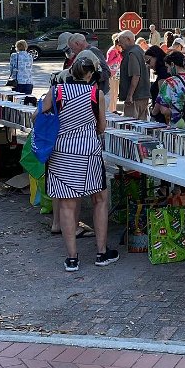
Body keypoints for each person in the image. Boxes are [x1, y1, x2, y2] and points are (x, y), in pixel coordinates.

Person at [42, 54, 118, 272]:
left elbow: (39, 116)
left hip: (62, 151)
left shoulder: (56, 91)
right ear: (91, 74)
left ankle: (72, 258)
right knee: (100, 199)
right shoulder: (96, 94)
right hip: (89, 152)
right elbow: (101, 127)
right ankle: (101, 252)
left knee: (67, 203)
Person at [68, 33, 111, 108]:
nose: (72, 52)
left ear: (77, 44)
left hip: (100, 94)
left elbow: (106, 72)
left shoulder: (93, 51)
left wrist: (90, 78)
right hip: (92, 95)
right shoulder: (85, 53)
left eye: (72, 48)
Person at [117, 30, 150, 120]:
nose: (119, 44)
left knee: (130, 126)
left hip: (136, 97)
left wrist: (129, 95)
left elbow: (135, 75)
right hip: (143, 95)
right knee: (141, 125)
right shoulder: (139, 50)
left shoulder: (132, 53)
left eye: (120, 41)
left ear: (128, 39)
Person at [144, 45, 171, 123]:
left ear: (156, 57)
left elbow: (162, 97)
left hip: (161, 116)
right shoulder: (162, 72)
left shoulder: (163, 73)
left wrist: (153, 114)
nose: (148, 65)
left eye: (148, 61)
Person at [106, 34, 123, 113]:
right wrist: (117, 58)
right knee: (112, 92)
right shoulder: (112, 51)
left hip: (117, 73)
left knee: (116, 92)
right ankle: (111, 109)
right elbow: (108, 62)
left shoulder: (118, 51)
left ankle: (114, 108)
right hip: (112, 73)